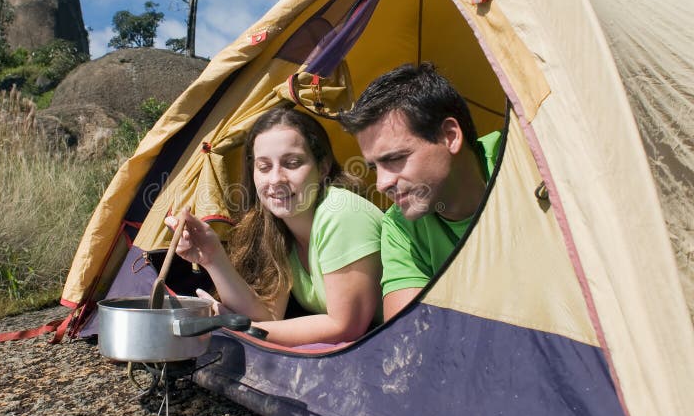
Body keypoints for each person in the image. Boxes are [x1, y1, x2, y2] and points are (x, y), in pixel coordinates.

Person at [165, 106, 383, 347]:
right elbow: (267, 318)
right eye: (264, 167)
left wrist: (234, 325)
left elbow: (345, 327)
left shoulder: (341, 213)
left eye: (292, 163)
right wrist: (213, 258)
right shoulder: (280, 227)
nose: (276, 178)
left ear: (322, 168)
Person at [338, 62, 501, 321]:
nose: (381, 184)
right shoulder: (399, 225)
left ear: (450, 136)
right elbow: (409, 337)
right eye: (374, 167)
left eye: (394, 158)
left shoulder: (527, 157)